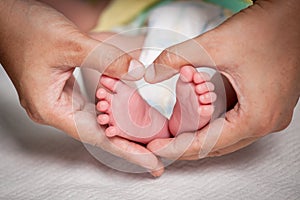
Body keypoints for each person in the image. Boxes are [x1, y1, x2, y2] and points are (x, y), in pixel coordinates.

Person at [0, 0, 299, 178]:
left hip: (229, 28)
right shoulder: (116, 8)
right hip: (145, 39)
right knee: (98, 48)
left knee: (228, 73)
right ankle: (142, 114)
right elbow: (70, 25)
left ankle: (191, 107)